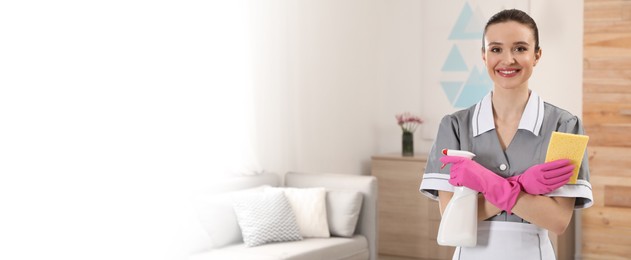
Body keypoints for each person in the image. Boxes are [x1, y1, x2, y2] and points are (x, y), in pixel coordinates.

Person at [419, 9, 593, 259]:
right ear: (484, 55)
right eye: (496, 49)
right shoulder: (454, 126)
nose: (508, 59)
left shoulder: (565, 125)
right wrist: (522, 187)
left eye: (520, 48)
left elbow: (557, 220)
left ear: (537, 55)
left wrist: (488, 184)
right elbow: (452, 217)